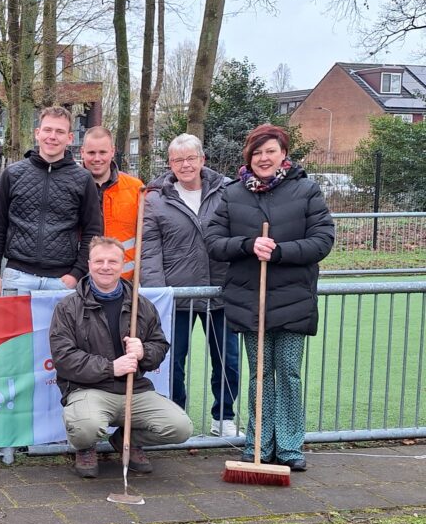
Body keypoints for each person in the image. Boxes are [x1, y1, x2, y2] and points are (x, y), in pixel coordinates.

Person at [205, 124, 334, 471]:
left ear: (283, 155)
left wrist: (279, 252)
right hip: (252, 299)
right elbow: (214, 241)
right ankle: (258, 444)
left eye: (270, 151)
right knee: (259, 374)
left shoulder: (306, 190)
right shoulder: (233, 194)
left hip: (293, 298)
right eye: (257, 152)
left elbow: (323, 240)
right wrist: (248, 245)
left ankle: (290, 447)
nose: (264, 158)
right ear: (250, 156)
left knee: (288, 372)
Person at [48, 236, 192, 479]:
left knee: (180, 428)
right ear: (90, 263)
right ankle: (85, 448)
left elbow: (159, 345)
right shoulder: (68, 307)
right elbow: (64, 357)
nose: (106, 267)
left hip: (134, 390)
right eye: (99, 261)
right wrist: (110, 367)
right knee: (86, 428)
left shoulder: (141, 304)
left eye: (112, 261)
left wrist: (144, 351)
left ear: (123, 264)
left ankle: (126, 439)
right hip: (88, 389)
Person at [142, 133, 240, 438]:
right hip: (177, 297)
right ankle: (176, 417)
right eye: (178, 159)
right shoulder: (156, 198)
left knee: (228, 359)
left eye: (190, 158)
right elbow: (149, 251)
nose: (185, 165)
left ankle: (223, 416)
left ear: (202, 159)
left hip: (220, 293)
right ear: (170, 163)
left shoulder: (228, 192)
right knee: (173, 362)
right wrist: (160, 296)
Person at [0, 106, 102, 295]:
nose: (52, 136)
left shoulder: (83, 179)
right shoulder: (13, 174)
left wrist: (77, 273)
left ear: (70, 138)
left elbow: (93, 231)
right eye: (47, 130)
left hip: (62, 280)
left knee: (62, 327)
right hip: (17, 276)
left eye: (60, 131)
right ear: (37, 133)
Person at [80, 126, 145, 280]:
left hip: (124, 281)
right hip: (81, 280)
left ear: (112, 151)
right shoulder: (70, 186)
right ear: (82, 152)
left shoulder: (135, 188)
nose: (97, 158)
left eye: (102, 152)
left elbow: (146, 237)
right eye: (91, 153)